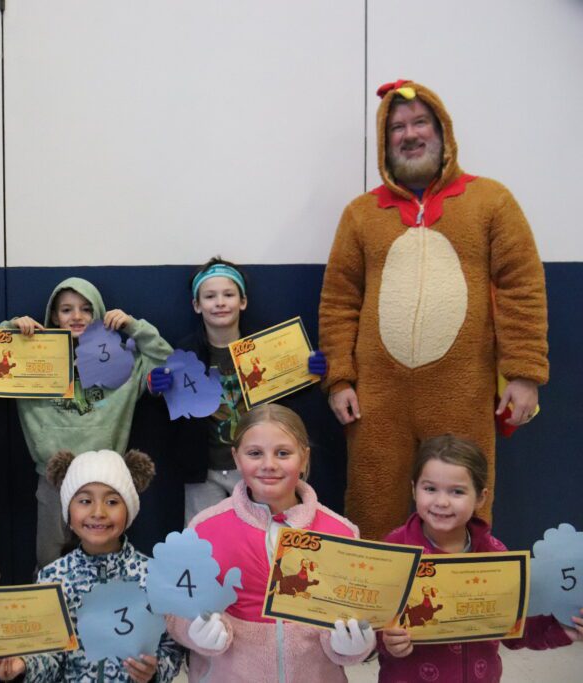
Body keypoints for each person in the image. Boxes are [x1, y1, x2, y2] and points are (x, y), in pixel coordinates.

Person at [318, 79, 548, 541]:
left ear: (443, 132)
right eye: (397, 127)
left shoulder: (490, 202)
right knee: (371, 499)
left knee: (464, 497)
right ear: (386, 144)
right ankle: (374, 606)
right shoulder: (361, 214)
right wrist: (339, 377)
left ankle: (462, 602)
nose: (410, 134)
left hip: (462, 388)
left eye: (420, 122)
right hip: (377, 396)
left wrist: (524, 374)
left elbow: (522, 287)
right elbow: (339, 300)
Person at [166, 404, 374, 681]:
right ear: (236, 458)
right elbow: (176, 609)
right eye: (254, 453)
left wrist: (353, 646)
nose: (269, 464)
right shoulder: (205, 528)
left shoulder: (341, 532)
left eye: (283, 453)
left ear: (304, 458)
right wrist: (192, 630)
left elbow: (355, 617)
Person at [0, 277, 172, 567]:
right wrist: (10, 330)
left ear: (99, 313)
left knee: (108, 558)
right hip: (52, 478)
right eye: (66, 310)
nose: (76, 316)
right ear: (52, 317)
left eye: (86, 309)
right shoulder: (25, 359)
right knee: (49, 560)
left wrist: (133, 326)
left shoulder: (123, 361)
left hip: (105, 478)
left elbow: (168, 363)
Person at [378, 435, 582, 681]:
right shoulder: (393, 549)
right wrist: (386, 640)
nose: (441, 502)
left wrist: (563, 628)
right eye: (430, 488)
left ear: (481, 497)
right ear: (413, 489)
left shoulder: (495, 554)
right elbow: (371, 623)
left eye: (457, 491)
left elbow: (515, 631)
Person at [0, 449, 184, 682]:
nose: (98, 512)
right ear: (69, 509)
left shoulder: (154, 577)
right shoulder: (53, 577)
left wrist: (154, 672)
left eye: (112, 501)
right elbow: (49, 656)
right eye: (85, 501)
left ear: (129, 509)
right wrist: (23, 666)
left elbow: (173, 646)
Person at [172, 257, 326, 523]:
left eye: (228, 294)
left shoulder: (267, 347)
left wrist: (309, 373)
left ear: (242, 301)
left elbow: (286, 400)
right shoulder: (184, 353)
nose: (220, 302)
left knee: (264, 530)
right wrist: (156, 387)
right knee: (200, 538)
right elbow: (168, 408)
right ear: (197, 305)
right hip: (204, 469)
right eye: (210, 296)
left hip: (255, 464)